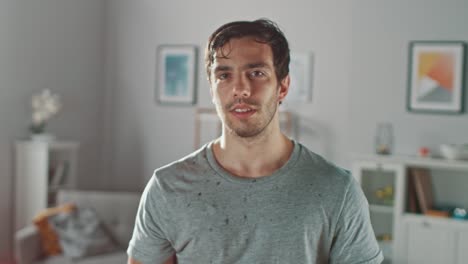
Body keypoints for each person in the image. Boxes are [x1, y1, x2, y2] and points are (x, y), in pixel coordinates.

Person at [127, 18, 383, 264]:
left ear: (283, 87)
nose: (241, 89)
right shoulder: (167, 188)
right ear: (212, 89)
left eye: (257, 73)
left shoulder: (338, 191)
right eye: (224, 76)